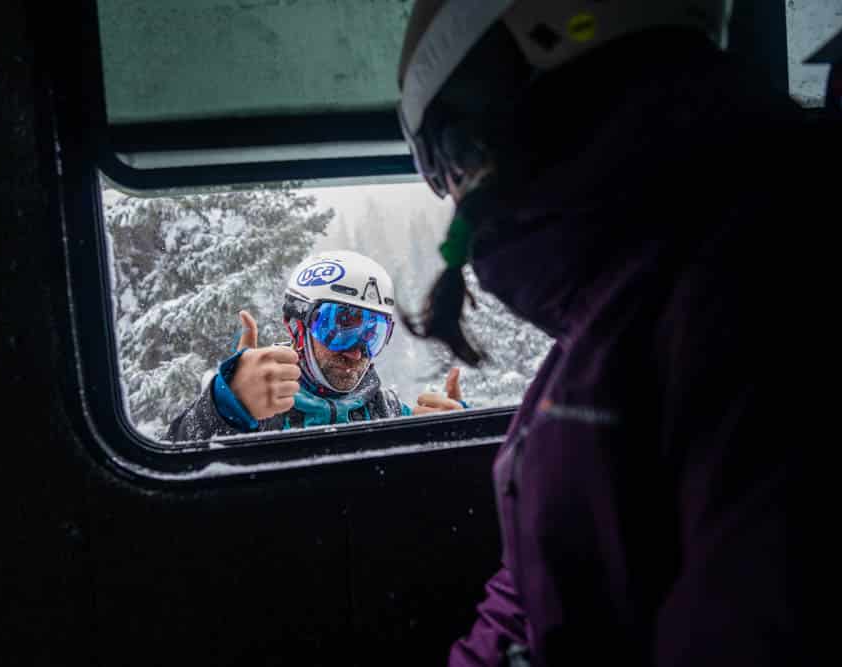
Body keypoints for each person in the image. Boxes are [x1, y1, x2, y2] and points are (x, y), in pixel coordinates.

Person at [396, 1, 822, 665]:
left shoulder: (761, 283)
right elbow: (548, 578)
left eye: (442, 158)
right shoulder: (624, 303)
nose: (450, 195)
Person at [167, 250, 466, 442]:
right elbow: (173, 457)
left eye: (371, 334)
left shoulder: (387, 413)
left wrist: (454, 436)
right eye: (339, 327)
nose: (356, 352)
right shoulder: (257, 407)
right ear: (296, 326)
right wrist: (226, 408)